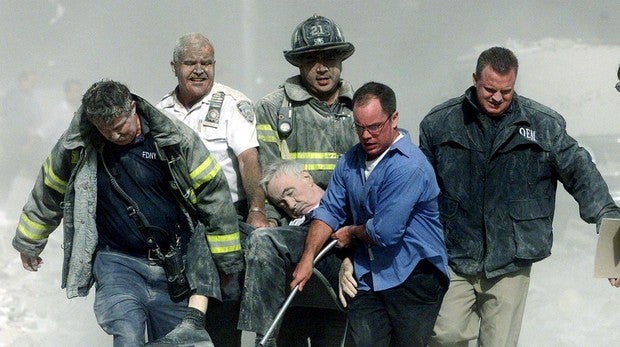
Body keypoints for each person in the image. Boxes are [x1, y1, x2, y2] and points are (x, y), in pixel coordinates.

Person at [12, 80, 244, 347]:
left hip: (172, 267)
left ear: (133, 108)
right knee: (127, 334)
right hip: (116, 263)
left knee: (175, 341)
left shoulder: (173, 139)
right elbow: (50, 189)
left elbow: (213, 193)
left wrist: (226, 261)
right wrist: (30, 241)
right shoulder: (78, 145)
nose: (114, 136)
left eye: (120, 127)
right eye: (105, 130)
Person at [418, 47, 620, 346]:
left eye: (506, 91)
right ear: (475, 79)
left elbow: (582, 174)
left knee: (499, 343)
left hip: (511, 257)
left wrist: (608, 218)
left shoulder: (544, 126)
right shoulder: (440, 124)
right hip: (454, 253)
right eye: (489, 89)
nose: (497, 97)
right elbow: (417, 189)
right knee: (445, 335)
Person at [292, 81, 450, 347]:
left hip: (414, 274)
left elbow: (385, 232)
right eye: (359, 127)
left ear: (394, 118)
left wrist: (351, 233)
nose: (366, 135)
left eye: (374, 127)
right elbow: (329, 210)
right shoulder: (349, 161)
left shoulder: (409, 166)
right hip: (369, 274)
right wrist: (307, 258)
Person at [239, 14, 358, 346]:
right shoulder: (274, 109)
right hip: (295, 232)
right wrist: (273, 224)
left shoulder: (360, 109)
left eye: (329, 57)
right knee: (260, 244)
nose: (321, 67)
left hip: (346, 232)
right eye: (310, 59)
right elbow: (271, 179)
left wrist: (354, 246)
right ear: (298, 64)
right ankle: (265, 337)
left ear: (341, 60)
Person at [156, 32, 267, 346]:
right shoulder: (160, 111)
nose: (199, 70)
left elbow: (248, 160)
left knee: (220, 316)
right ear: (174, 67)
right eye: (190, 63)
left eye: (207, 62)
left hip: (224, 220)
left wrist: (257, 209)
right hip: (176, 224)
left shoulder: (234, 104)